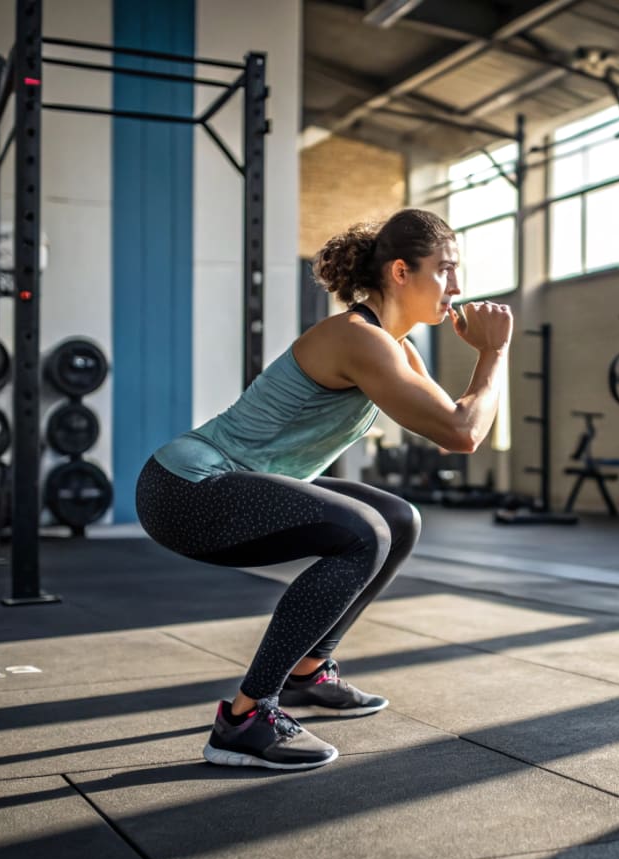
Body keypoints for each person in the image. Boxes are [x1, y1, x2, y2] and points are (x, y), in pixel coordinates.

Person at [135, 208, 513, 770]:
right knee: (362, 533)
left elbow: (459, 426)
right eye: (446, 270)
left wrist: (488, 359)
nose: (457, 287)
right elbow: (463, 433)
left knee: (400, 519)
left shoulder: (395, 346)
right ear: (402, 273)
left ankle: (309, 672)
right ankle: (244, 718)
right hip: (186, 488)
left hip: (234, 483)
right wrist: (493, 353)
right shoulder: (357, 338)